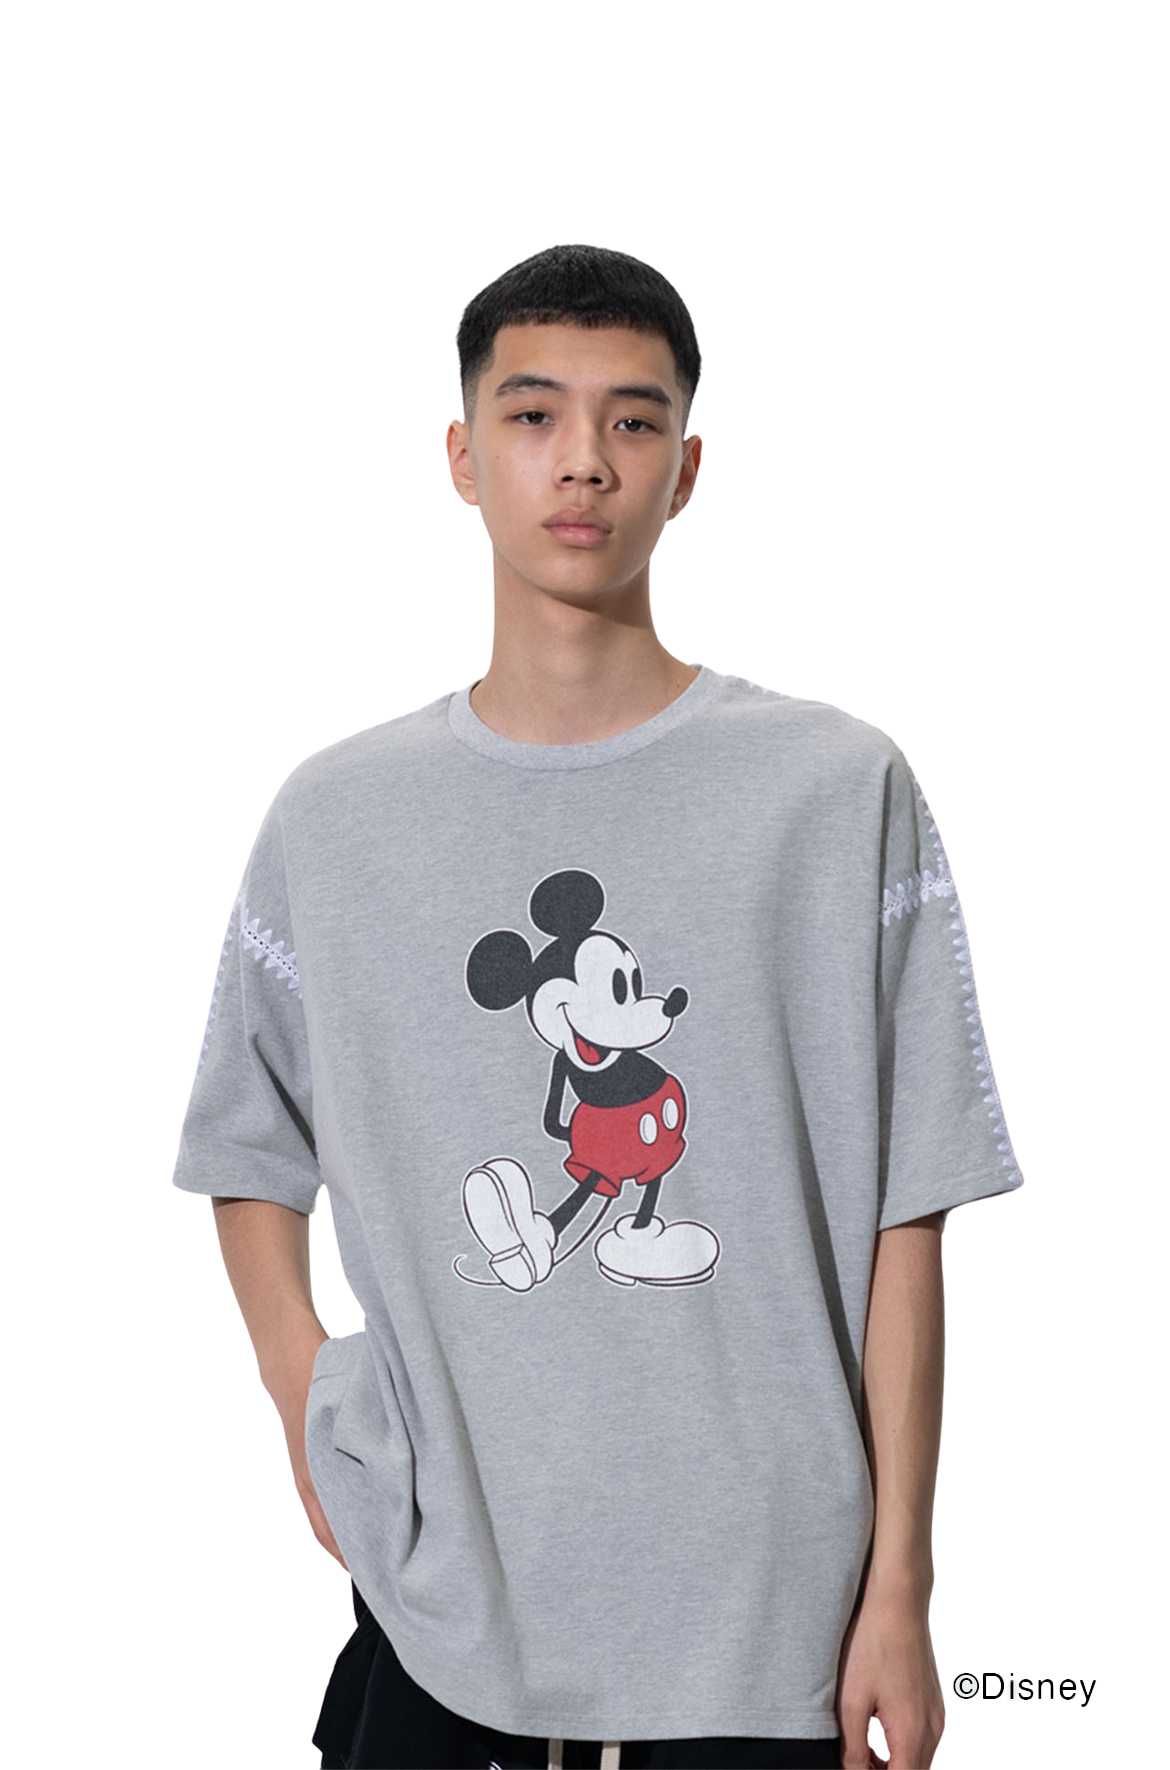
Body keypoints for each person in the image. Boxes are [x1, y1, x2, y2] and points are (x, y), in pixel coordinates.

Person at [171, 244, 1026, 1770]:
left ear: (685, 468)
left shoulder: (834, 792)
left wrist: (900, 1582)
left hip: (768, 1625)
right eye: (533, 415)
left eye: (632, 420)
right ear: (461, 456)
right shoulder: (340, 819)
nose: (583, 460)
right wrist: (305, 1388)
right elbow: (247, 1142)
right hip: (444, 1625)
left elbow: (910, 1205)